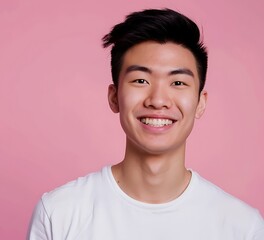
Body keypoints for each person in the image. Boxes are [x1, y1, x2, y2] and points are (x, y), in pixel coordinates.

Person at [27, 8, 264, 240]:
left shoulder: (243, 227)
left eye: (178, 83)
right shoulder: (58, 214)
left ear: (200, 103)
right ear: (114, 97)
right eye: (141, 80)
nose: (158, 100)